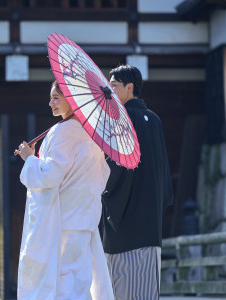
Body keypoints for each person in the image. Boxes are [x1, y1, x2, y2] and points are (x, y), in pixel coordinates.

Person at [16, 81, 114, 300]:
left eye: (56, 98)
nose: (50, 103)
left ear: (71, 98)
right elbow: (102, 175)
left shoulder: (62, 132)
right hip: (84, 216)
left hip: (62, 219)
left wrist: (30, 159)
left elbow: (49, 176)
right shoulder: (92, 134)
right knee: (79, 278)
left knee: (60, 279)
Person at [101, 65, 174, 300]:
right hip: (150, 223)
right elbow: (162, 168)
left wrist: (102, 190)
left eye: (114, 86)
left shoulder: (120, 120)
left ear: (129, 87)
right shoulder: (154, 120)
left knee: (121, 287)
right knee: (146, 289)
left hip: (125, 222)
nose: (110, 91)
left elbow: (112, 170)